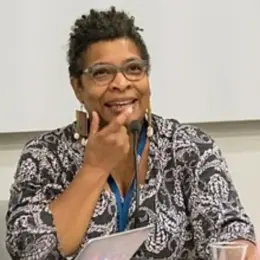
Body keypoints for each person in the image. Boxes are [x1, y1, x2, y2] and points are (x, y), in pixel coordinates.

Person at [5, 6, 257, 260]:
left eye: (134, 69)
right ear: (78, 87)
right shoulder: (43, 155)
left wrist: (239, 250)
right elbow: (29, 250)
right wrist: (94, 168)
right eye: (102, 73)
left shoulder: (189, 147)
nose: (121, 83)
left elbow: (229, 232)